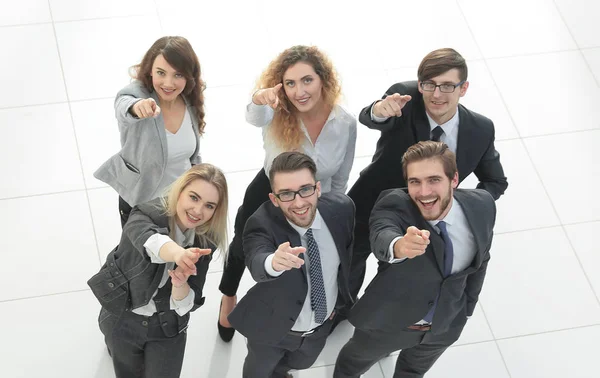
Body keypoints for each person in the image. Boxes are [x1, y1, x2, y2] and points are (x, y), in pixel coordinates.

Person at [217, 45, 357, 341]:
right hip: (268, 194)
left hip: (312, 203)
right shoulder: (275, 111)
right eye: (290, 83)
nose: (299, 91)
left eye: (307, 80)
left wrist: (330, 208)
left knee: (295, 260)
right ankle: (228, 294)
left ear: (323, 79)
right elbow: (254, 116)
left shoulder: (344, 123)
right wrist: (259, 97)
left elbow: (341, 175)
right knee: (245, 245)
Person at [346, 47, 508, 302]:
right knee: (350, 259)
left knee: (395, 277)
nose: (436, 94)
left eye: (447, 86)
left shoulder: (480, 129)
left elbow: (495, 181)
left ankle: (371, 313)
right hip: (373, 202)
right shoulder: (406, 98)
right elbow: (371, 117)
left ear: (463, 89)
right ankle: (342, 308)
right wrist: (379, 110)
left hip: (424, 220)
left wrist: (455, 205)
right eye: (429, 85)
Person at [334, 141, 496, 377]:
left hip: (444, 325)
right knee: (352, 364)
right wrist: (399, 246)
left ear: (454, 179)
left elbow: (482, 258)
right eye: (414, 182)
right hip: (387, 323)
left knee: (412, 371)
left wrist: (466, 308)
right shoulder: (393, 204)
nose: (424, 192)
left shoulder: (482, 205)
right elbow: (383, 233)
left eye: (434, 180)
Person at [87, 164, 228, 378]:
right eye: (194, 197)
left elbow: (187, 303)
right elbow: (150, 241)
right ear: (179, 191)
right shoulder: (145, 212)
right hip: (123, 315)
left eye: (209, 206)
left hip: (167, 325)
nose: (198, 211)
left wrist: (180, 285)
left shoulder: (205, 240)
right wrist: (178, 254)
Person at [227, 152, 355, 378]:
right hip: (271, 327)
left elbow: (348, 254)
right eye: (286, 194)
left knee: (300, 364)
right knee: (258, 370)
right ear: (274, 199)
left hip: (321, 324)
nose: (298, 203)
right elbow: (258, 259)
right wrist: (273, 263)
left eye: (305, 189)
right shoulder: (260, 223)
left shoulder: (342, 208)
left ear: (317, 188)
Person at [94, 36, 206, 227]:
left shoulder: (188, 99)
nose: (168, 83)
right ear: (150, 71)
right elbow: (124, 105)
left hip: (179, 202)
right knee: (139, 254)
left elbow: (192, 154)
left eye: (178, 75)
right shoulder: (137, 94)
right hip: (143, 203)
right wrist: (138, 107)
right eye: (161, 73)